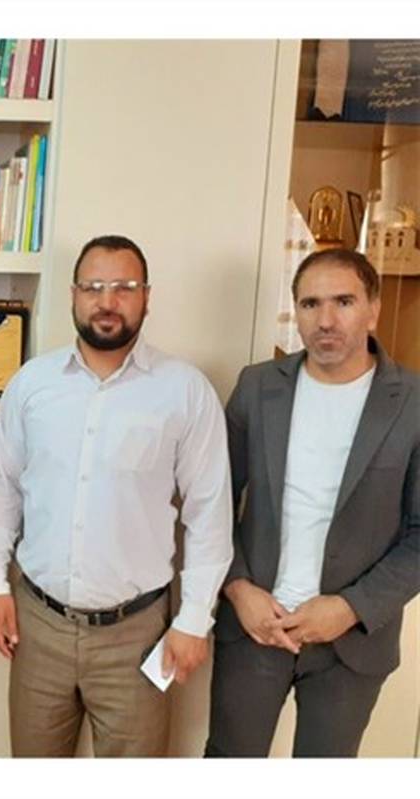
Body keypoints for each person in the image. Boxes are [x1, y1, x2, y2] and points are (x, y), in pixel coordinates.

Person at [0, 234, 233, 757]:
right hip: (38, 626)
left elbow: (210, 513)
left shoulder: (184, 391)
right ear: (73, 295)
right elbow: (2, 489)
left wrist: (194, 619)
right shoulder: (32, 384)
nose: (107, 301)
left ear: (147, 297)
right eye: (93, 287)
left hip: (137, 636)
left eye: (124, 287)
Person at [206, 248, 419, 757]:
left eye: (343, 302)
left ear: (373, 309)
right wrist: (237, 588)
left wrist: (349, 608)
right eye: (310, 304)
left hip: (351, 643)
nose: (325, 320)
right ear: (296, 312)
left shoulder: (413, 402)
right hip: (255, 628)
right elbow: (211, 503)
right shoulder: (257, 387)